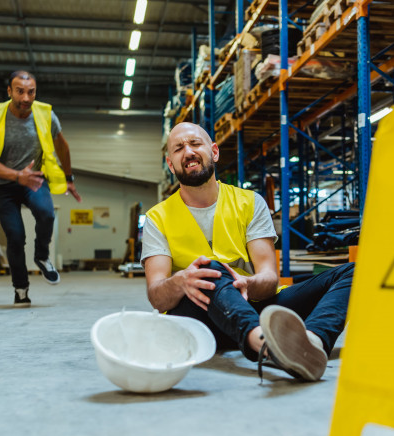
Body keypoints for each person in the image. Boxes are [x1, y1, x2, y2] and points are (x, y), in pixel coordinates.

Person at [141, 122, 354, 381]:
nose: (188, 152)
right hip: (198, 318)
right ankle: (267, 345)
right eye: (178, 148)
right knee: (208, 268)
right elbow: (157, 296)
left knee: (355, 272)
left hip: (252, 304)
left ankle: (311, 342)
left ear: (214, 152)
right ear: (170, 163)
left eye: (195, 144)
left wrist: (246, 284)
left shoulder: (249, 203)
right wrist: (181, 281)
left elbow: (268, 278)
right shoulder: (157, 218)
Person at [0, 70, 81, 306]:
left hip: (33, 178)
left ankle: (42, 257)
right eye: (20, 91)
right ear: (9, 91)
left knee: (46, 213)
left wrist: (69, 177)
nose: (26, 97)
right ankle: (21, 288)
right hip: (1, 185)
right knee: (15, 236)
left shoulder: (46, 115)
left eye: (31, 92)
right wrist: (17, 176)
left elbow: (62, 146)